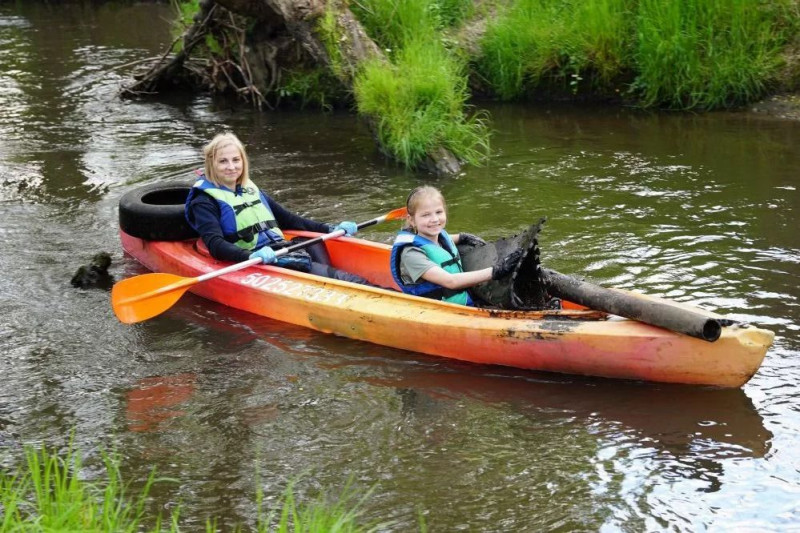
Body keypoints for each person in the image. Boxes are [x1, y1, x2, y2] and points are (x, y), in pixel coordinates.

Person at [184, 132, 370, 284]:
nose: (231, 167)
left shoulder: (250, 189)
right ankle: (339, 283)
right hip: (258, 260)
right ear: (211, 164)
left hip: (279, 249)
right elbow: (215, 245)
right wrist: (250, 256)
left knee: (314, 242)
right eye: (223, 161)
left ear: (243, 161)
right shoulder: (203, 202)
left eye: (236, 160)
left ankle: (327, 283)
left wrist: (330, 228)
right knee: (349, 280)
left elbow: (288, 219)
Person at [390, 185, 523, 306]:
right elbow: (451, 281)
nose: (435, 219)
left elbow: (443, 240)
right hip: (441, 307)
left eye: (438, 212)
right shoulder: (411, 255)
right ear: (411, 220)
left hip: (465, 297)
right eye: (426, 215)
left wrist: (463, 237)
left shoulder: (439, 236)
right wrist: (496, 271)